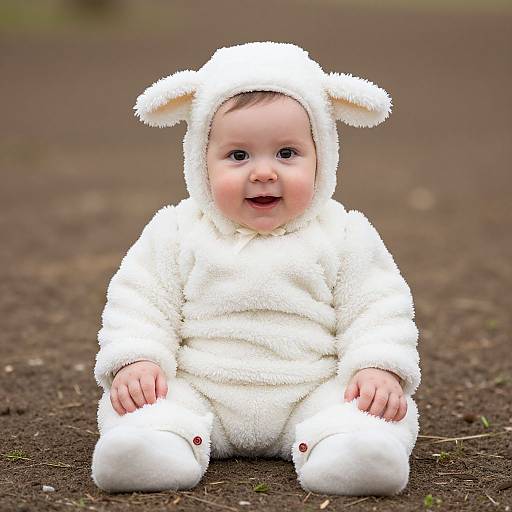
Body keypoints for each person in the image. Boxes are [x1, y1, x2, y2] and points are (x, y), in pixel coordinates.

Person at [91, 41, 421, 496]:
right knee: (141, 403)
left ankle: (353, 452)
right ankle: (152, 446)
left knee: (376, 410)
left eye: (287, 153)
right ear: (199, 162)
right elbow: (140, 299)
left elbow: (379, 306)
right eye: (239, 156)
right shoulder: (176, 230)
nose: (264, 172)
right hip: (202, 387)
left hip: (311, 387)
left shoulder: (345, 234)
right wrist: (137, 359)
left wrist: (379, 367)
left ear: (322, 155)